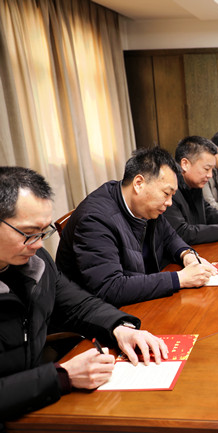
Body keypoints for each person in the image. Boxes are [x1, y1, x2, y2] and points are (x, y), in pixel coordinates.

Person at [0, 166, 168, 421]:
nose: (38, 244)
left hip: (36, 403)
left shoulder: (36, 261)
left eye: (43, 232)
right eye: (29, 233)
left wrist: (120, 328)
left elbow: (77, 303)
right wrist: (62, 376)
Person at [56, 147, 217, 307]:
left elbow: (170, 236)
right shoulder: (95, 220)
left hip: (140, 297)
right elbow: (110, 288)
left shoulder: (144, 206)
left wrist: (186, 255)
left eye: (172, 196)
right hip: (98, 312)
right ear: (139, 183)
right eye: (166, 194)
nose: (169, 203)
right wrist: (179, 279)